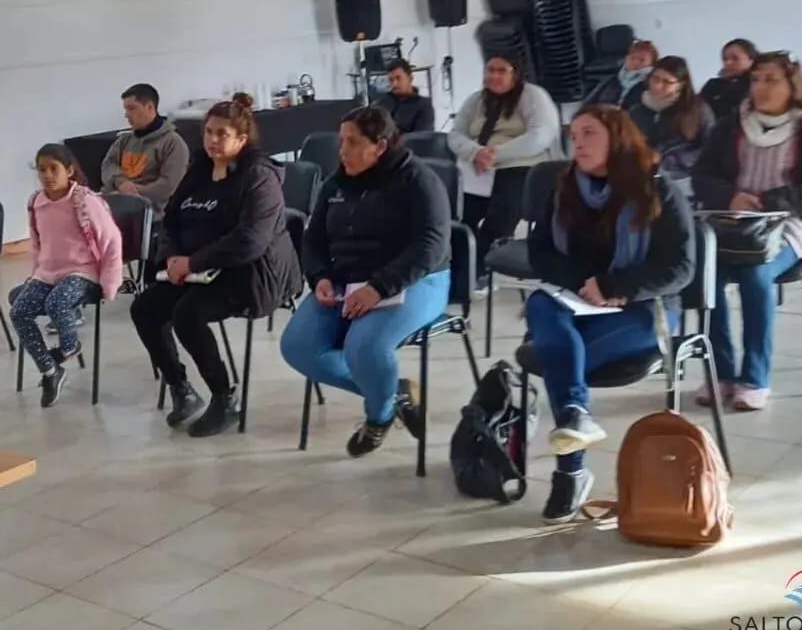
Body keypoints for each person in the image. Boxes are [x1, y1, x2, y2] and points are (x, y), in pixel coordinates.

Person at [526, 106, 694, 523]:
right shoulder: (564, 185)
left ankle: (571, 468)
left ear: (617, 138)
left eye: (589, 134)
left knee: (560, 358)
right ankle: (575, 419)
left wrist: (618, 287)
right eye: (573, 134)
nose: (577, 143)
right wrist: (587, 284)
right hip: (576, 301)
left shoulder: (656, 188)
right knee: (540, 305)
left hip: (641, 310)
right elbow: (540, 254)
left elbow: (680, 267)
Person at [281, 107, 451, 457]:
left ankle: (379, 416)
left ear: (381, 146)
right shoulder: (337, 182)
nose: (342, 150)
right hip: (347, 280)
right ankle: (392, 392)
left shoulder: (418, 180)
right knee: (297, 347)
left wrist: (379, 287)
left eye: (353, 142)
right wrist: (320, 277)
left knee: (365, 348)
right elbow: (313, 239)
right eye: (341, 141)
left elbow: (430, 246)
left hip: (415, 280)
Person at [130, 95, 300, 436]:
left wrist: (193, 261)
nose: (212, 140)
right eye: (208, 132)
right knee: (144, 308)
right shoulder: (199, 170)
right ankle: (182, 388)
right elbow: (172, 221)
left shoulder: (259, 177)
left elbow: (250, 241)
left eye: (222, 133)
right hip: (198, 270)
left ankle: (224, 398)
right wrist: (174, 259)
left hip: (252, 274)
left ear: (241, 138)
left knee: (187, 314)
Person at [693, 52, 802, 411]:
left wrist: (771, 201)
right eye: (756, 79)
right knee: (705, 275)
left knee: (755, 273)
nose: (761, 88)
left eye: (772, 80)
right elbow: (702, 176)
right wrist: (731, 196)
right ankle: (721, 373)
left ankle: (755, 378)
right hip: (732, 221)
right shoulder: (729, 126)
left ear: (791, 85)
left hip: (792, 223)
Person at [9, 145, 124, 407]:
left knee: (56, 303)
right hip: (48, 272)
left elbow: (112, 240)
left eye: (54, 169)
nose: (48, 175)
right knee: (19, 311)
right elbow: (37, 242)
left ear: (69, 171)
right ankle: (51, 371)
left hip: (82, 271)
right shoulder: (35, 202)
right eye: (42, 170)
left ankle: (69, 347)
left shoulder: (84, 200)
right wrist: (35, 273)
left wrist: (110, 283)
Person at [447, 53, 561, 275]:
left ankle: (477, 273)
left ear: (515, 73)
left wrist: (494, 155)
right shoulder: (475, 100)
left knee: (497, 222)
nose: (494, 76)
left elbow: (540, 136)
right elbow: (455, 135)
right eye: (490, 70)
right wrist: (475, 152)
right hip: (477, 167)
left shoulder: (533, 96)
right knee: (461, 219)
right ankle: (459, 273)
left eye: (502, 71)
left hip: (522, 167)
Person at [100, 83, 190, 223]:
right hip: (113, 204)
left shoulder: (173, 144)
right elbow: (108, 165)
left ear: (150, 107)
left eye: (132, 108)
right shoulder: (125, 140)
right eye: (125, 109)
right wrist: (121, 182)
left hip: (149, 215)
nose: (126, 115)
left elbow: (169, 186)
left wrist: (135, 191)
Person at [628, 55, 715, 180]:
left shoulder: (697, 109)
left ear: (681, 85)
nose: (658, 86)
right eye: (655, 79)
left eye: (666, 82)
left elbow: (711, 148)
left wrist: (671, 160)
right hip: (641, 175)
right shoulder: (636, 109)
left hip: (683, 176)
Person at [582, 39, 658, 109]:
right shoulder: (612, 79)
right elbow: (588, 103)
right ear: (626, 58)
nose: (635, 62)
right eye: (632, 57)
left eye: (642, 60)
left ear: (652, 64)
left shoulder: (650, 85)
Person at [699, 38, 759, 121]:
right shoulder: (713, 86)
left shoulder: (757, 86)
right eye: (725, 59)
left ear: (751, 60)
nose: (728, 63)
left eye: (735, 58)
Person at [374, 59, 435, 134]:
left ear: (410, 78)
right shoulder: (381, 104)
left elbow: (422, 138)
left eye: (398, 78)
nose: (394, 84)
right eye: (391, 80)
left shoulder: (423, 105)